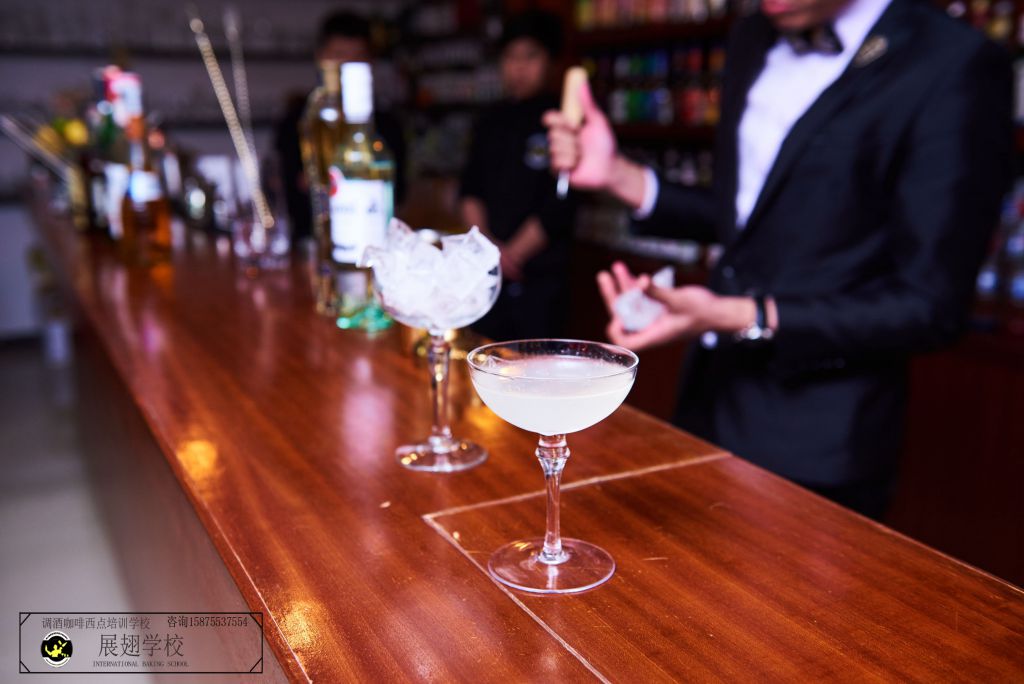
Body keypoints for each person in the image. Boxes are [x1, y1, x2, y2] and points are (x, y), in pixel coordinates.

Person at [544, 0, 1012, 518]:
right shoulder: (753, 35)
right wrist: (620, 176)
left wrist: (746, 315)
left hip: (817, 436)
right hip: (707, 399)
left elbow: (930, 306)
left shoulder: (953, 61)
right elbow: (756, 217)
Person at [461, 10, 575, 341]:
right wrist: (489, 249)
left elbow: (561, 200)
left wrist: (512, 254)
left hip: (540, 277)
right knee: (482, 354)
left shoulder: (562, 120)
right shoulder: (488, 120)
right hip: (487, 273)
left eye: (530, 56)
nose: (519, 67)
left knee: (537, 358)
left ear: (550, 61)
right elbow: (470, 188)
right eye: (510, 57)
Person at [273, 11, 405, 246]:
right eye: (339, 57)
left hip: (373, 247)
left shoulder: (387, 125)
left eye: (358, 59)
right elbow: (281, 192)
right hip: (305, 246)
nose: (348, 69)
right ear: (320, 58)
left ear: (371, 64)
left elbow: (399, 194)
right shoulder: (299, 121)